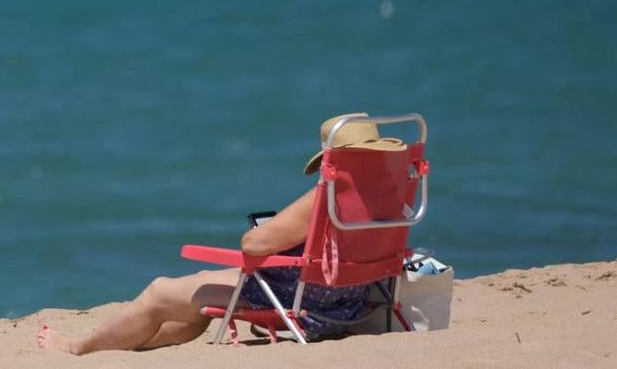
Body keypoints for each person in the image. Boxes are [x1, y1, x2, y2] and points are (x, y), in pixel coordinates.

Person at [36, 113, 405, 355]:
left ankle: (76, 349)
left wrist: (276, 232)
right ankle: (133, 345)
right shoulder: (389, 196)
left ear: (331, 159)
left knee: (160, 290)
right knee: (198, 284)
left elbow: (253, 246)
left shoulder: (326, 197)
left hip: (305, 302)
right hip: (349, 302)